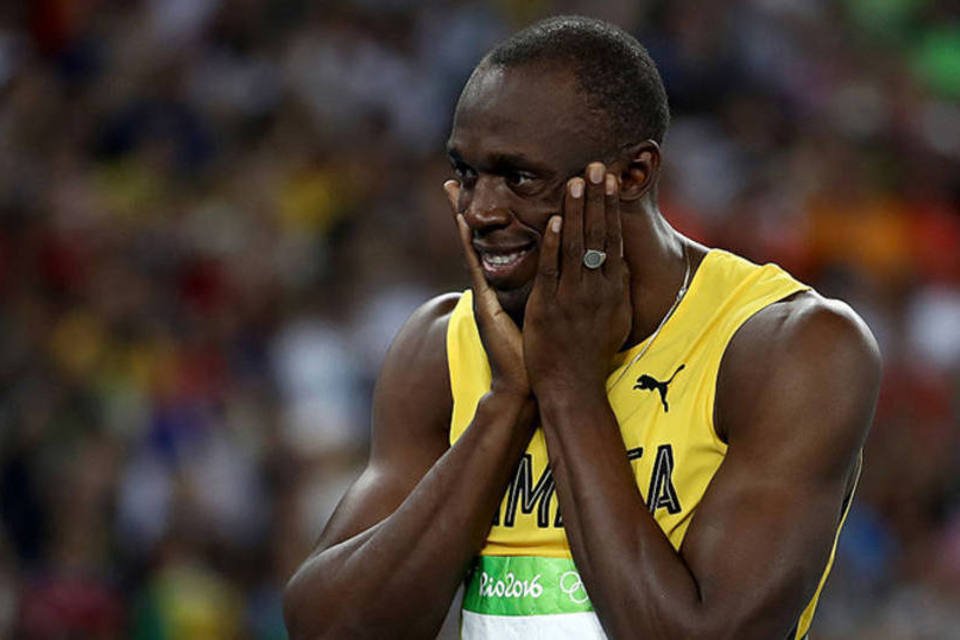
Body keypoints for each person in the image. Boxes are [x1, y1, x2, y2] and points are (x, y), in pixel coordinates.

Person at [283, 16, 881, 640]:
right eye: (466, 174)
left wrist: (569, 390)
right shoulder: (441, 343)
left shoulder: (786, 346)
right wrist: (507, 402)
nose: (481, 210)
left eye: (519, 177)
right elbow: (327, 629)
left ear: (631, 175)